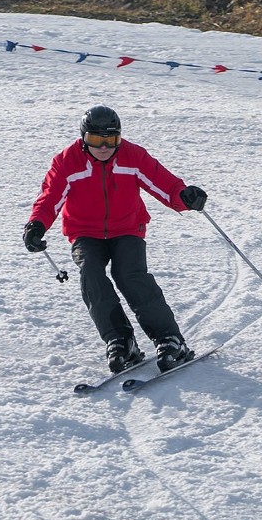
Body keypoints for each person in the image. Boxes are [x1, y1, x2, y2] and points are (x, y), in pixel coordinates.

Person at [23, 105, 208, 374]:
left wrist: (184, 197)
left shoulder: (133, 156)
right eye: (96, 141)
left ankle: (170, 339)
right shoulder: (66, 161)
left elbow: (164, 183)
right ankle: (120, 340)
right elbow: (50, 198)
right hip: (85, 232)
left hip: (128, 227)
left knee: (130, 275)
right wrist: (36, 225)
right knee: (92, 274)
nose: (104, 147)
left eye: (111, 140)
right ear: (84, 139)